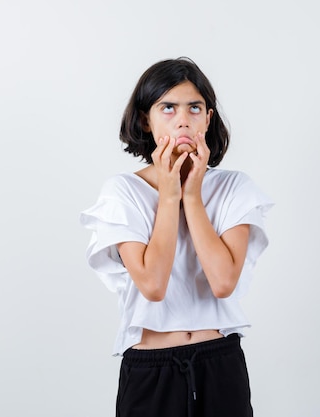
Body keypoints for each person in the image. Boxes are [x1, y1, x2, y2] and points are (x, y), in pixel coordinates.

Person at [79, 57, 274, 417]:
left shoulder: (235, 188)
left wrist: (192, 196)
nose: (183, 119)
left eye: (194, 108)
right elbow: (153, 285)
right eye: (167, 107)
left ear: (208, 119)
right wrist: (169, 196)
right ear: (145, 119)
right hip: (151, 370)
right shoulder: (123, 192)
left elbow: (223, 282)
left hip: (219, 364)